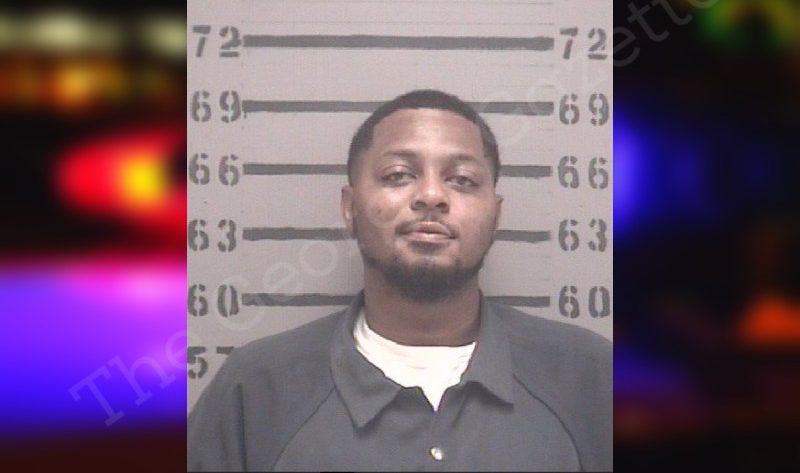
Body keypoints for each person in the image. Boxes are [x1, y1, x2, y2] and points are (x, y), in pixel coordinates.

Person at [187, 89, 612, 472]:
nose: (431, 196)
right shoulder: (255, 390)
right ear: (350, 208)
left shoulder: (592, 379)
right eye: (398, 175)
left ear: (496, 214)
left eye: (461, 180)